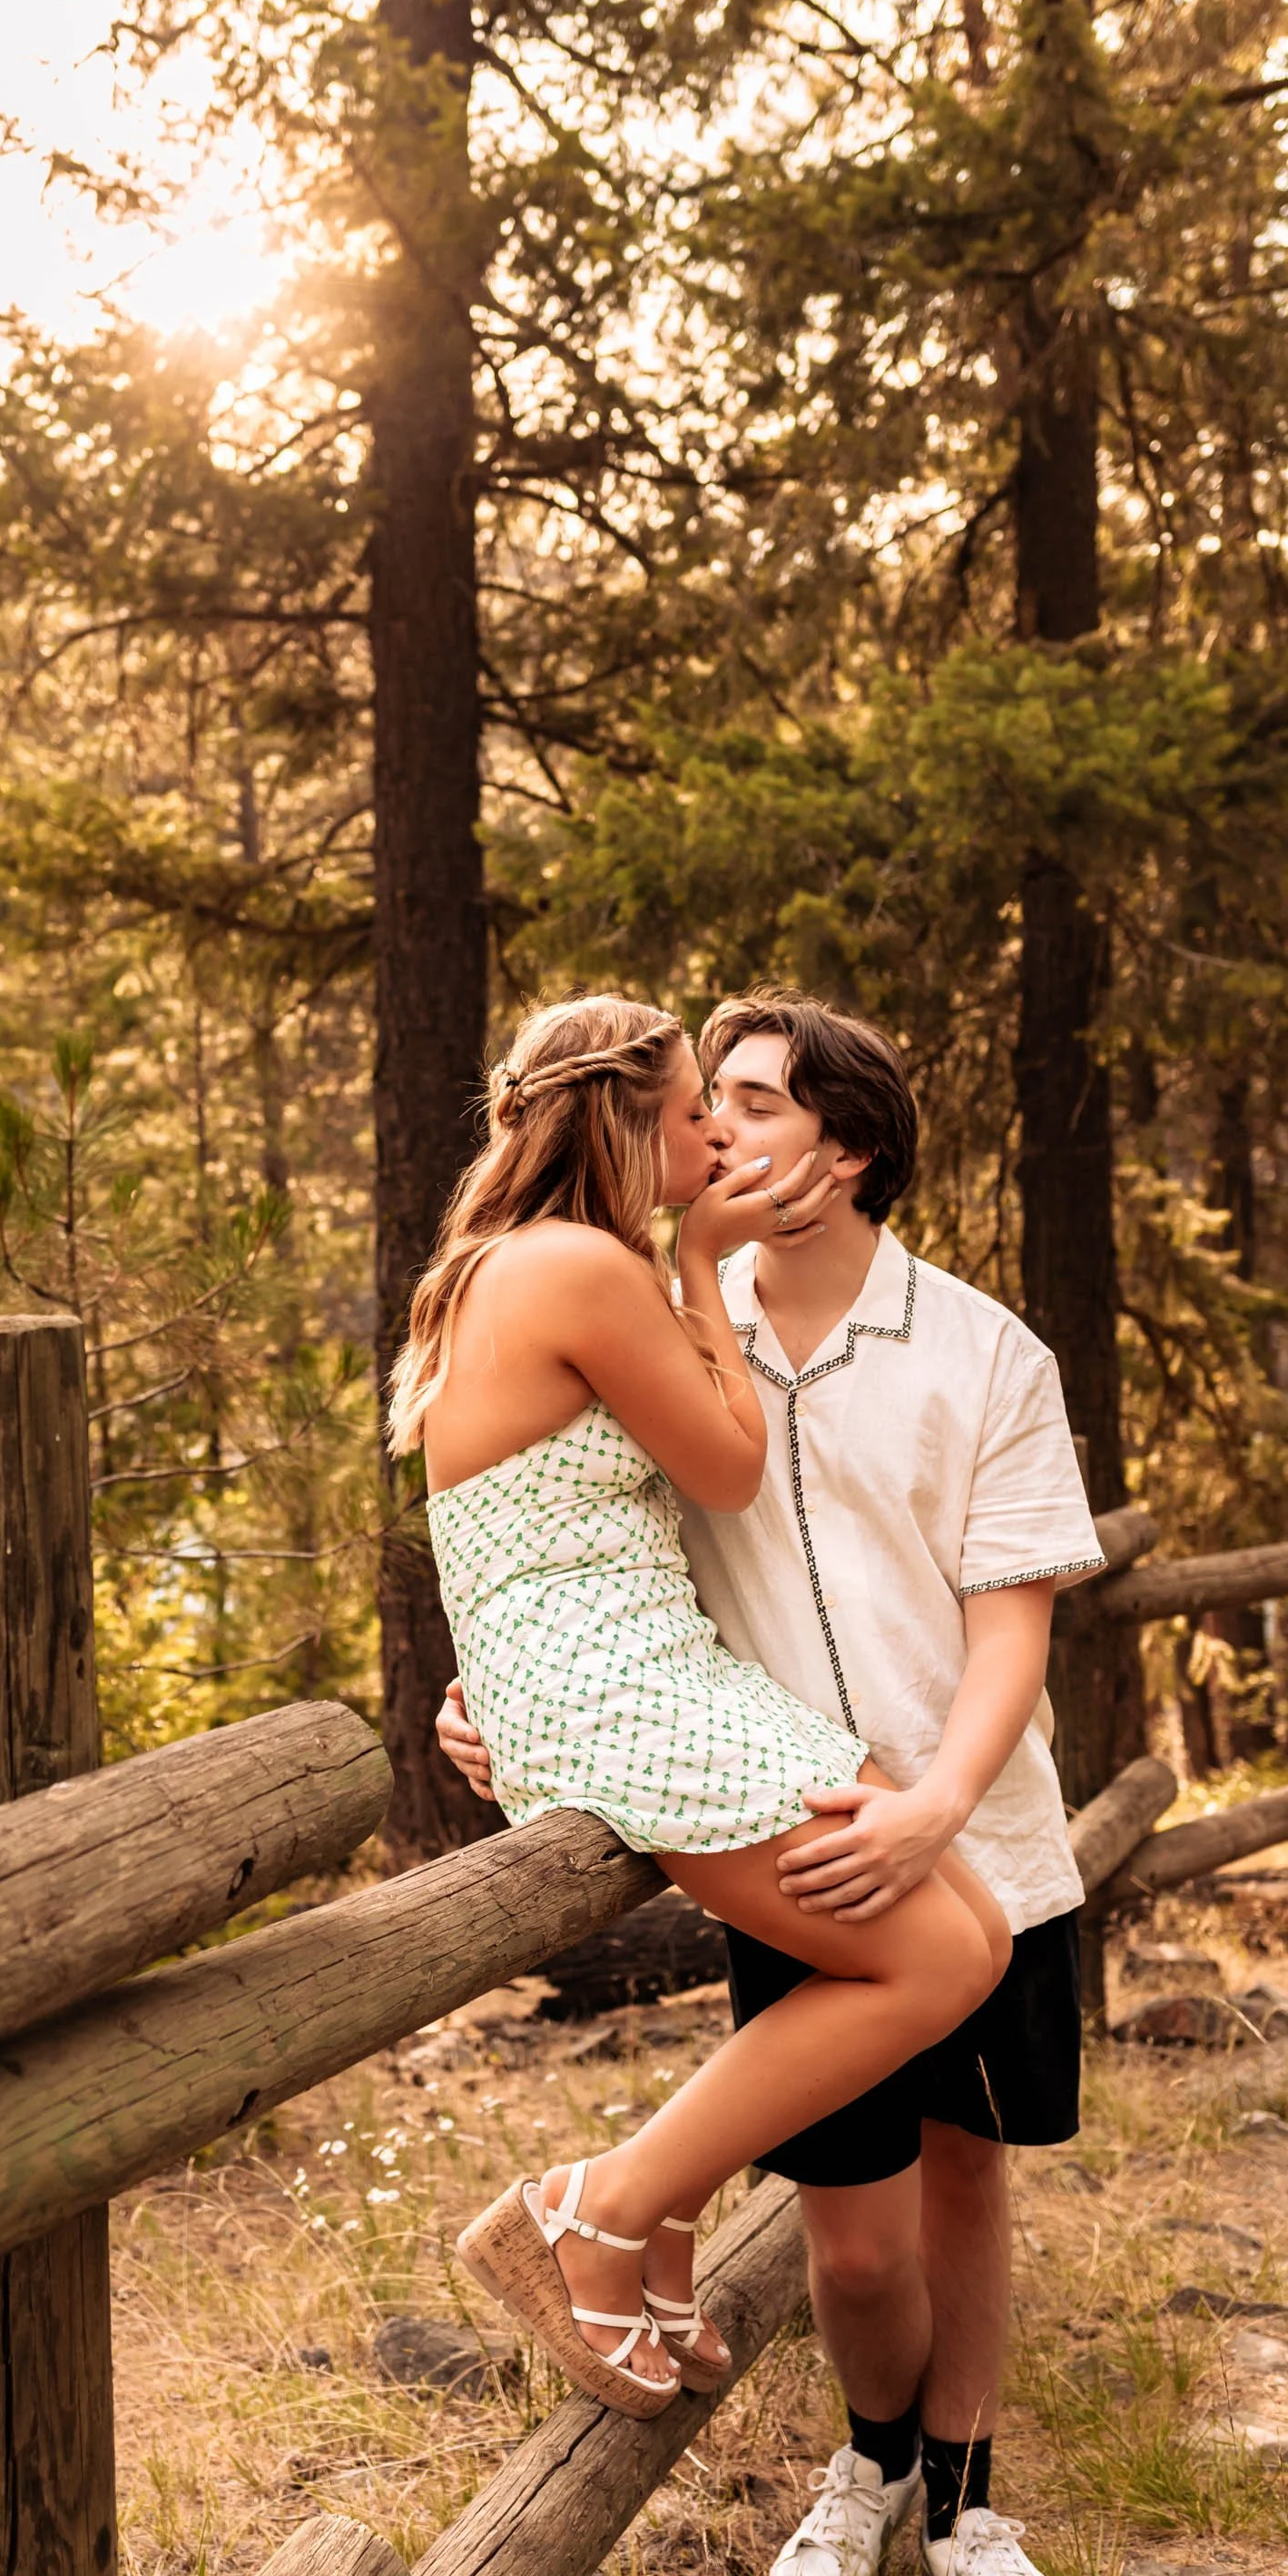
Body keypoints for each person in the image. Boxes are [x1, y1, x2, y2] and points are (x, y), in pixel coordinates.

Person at [438, 986, 1106, 2576]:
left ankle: (964, 2502)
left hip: (971, 1819)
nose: (716, 1127)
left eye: (752, 1100)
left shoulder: (983, 1352)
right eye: (702, 1100)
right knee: (858, 2246)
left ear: (850, 1148)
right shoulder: (664, 1305)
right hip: (778, 1813)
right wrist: (498, 1689)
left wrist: (939, 1803)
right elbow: (549, 1513)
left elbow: (1015, 1621)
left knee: (970, 2176)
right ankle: (862, 2461)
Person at [394, 992, 1008, 2427]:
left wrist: (685, 1266)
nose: (712, 1136)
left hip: (637, 1665)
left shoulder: (548, 1261)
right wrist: (700, 1262)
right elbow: (731, 1470)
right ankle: (595, 2207)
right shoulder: (580, 1268)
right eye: (688, 1114)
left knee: (971, 1933)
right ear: (621, 1119)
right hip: (612, 1688)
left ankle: (653, 2216)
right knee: (929, 1963)